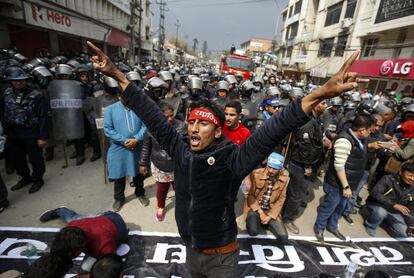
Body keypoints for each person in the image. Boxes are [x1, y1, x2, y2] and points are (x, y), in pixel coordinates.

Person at [87, 41, 366, 277]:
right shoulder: (180, 149)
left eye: (204, 123)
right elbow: (151, 115)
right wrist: (117, 74)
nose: (195, 127)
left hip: (222, 259)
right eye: (192, 122)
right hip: (190, 252)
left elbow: (275, 128)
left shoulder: (233, 159)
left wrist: (320, 93)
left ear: (219, 131)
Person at [314, 114, 373, 243]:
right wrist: (345, 186)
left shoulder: (359, 139)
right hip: (337, 184)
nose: (371, 132)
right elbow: (339, 166)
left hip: (350, 183)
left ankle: (332, 226)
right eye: (370, 130)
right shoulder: (344, 141)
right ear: (362, 130)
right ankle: (319, 228)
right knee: (329, 207)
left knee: (340, 208)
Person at [282, 100, 327, 234]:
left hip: (306, 162)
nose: (325, 106)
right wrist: (307, 165)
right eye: (323, 103)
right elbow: (305, 146)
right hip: (300, 164)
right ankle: (287, 218)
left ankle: (286, 210)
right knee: (297, 193)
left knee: (295, 191)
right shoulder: (307, 122)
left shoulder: (315, 119)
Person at [1, 66, 48, 193]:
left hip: (31, 132)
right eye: (15, 80)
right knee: (16, 158)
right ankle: (25, 178)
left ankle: (38, 179)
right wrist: (4, 131)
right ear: (11, 81)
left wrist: (42, 137)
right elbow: (3, 112)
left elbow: (43, 117)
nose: (19, 82)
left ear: (26, 80)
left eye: (21, 80)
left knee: (35, 158)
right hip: (13, 132)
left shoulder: (36, 95)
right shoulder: (6, 94)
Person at [139, 103, 187, 221]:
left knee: (180, 188)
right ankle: (160, 207)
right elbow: (146, 147)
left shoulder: (182, 126)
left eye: (171, 115)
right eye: (166, 116)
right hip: (160, 164)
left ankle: (183, 208)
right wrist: (142, 163)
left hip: (177, 164)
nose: (170, 119)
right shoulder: (151, 128)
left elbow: (188, 145)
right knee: (162, 189)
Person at [104, 98, 148, 212]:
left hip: (137, 145)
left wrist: (136, 138)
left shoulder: (139, 107)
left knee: (139, 172)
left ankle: (140, 193)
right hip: (119, 146)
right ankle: (119, 198)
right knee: (119, 172)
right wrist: (124, 140)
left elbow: (145, 125)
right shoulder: (110, 109)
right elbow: (108, 129)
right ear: (119, 96)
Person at [39, 207, 128, 259]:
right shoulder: (71, 227)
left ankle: (60, 210)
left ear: (80, 249)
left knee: (87, 267)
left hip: (111, 219)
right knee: (73, 219)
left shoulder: (103, 246)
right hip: (99, 220)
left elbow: (111, 266)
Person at [244, 152, 289, 243]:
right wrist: (261, 213)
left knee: (283, 238)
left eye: (275, 168)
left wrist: (270, 216)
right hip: (256, 208)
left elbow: (281, 199)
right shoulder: (256, 174)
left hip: (271, 210)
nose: (271, 170)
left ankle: (266, 222)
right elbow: (250, 196)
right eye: (269, 167)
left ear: (280, 169)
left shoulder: (285, 179)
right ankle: (259, 221)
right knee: (253, 231)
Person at [364, 162, 414, 238]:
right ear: (401, 172)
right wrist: (394, 205)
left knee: (404, 233)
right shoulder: (388, 178)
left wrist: (411, 224)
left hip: (394, 212)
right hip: (378, 205)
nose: (412, 179)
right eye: (410, 175)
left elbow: (410, 208)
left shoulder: (412, 188)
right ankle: (371, 226)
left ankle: (384, 220)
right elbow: (375, 193)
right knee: (381, 213)